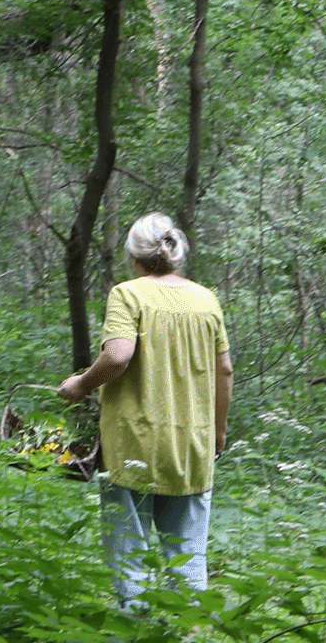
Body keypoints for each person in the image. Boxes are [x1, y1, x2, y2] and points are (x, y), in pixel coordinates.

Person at [56, 212, 233, 600]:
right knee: (187, 557)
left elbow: (118, 356)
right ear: (176, 254)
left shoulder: (128, 294)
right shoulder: (206, 299)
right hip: (192, 447)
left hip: (132, 446)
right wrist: (218, 432)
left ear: (135, 259)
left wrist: (82, 385)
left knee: (128, 557)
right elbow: (225, 371)